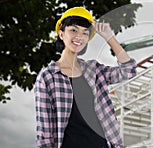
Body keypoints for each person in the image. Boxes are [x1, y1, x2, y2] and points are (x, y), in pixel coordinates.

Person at [34, 7, 137, 148]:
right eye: (73, 30)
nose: (79, 37)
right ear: (61, 34)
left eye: (85, 33)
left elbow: (128, 71)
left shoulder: (94, 70)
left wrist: (109, 37)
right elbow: (45, 135)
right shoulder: (47, 77)